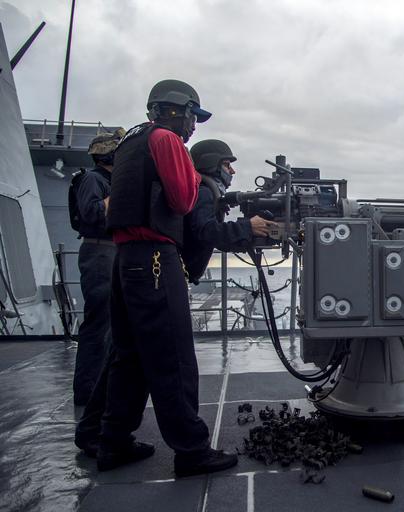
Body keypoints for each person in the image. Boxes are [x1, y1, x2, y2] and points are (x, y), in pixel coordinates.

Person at [97, 79, 236, 476]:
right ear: (178, 110)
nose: (193, 127)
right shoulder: (166, 140)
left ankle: (113, 442)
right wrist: (197, 179)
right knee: (173, 358)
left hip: (125, 259)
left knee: (129, 357)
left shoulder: (131, 141)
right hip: (156, 258)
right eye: (193, 116)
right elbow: (182, 200)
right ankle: (191, 450)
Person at [71, 129, 123, 406]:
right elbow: (91, 212)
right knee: (98, 323)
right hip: (100, 251)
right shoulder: (93, 179)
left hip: (112, 250)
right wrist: (122, 191)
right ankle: (87, 391)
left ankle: (102, 387)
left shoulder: (108, 180)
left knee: (112, 323)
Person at [183, 139, 273, 283]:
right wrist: (247, 226)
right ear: (211, 164)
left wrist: (250, 234)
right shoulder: (203, 192)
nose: (232, 171)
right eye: (226, 165)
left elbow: (219, 242)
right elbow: (207, 232)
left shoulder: (203, 191)